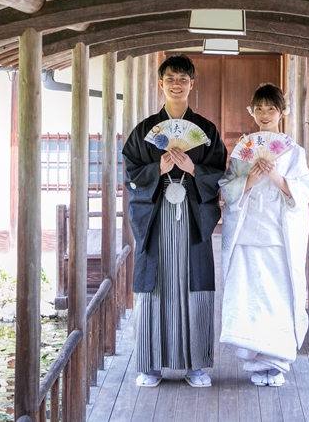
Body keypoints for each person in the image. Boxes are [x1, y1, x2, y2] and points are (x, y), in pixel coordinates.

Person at [122, 55, 227, 388]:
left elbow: (220, 172)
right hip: (157, 214)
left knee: (193, 285)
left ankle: (194, 365)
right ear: (161, 84)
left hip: (192, 214)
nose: (177, 84)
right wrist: (158, 169)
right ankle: (150, 365)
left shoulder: (206, 130)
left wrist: (194, 169)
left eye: (183, 79)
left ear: (192, 84)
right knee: (156, 285)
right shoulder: (145, 131)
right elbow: (130, 172)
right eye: (170, 79)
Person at [218, 83, 309, 387]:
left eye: (271, 108)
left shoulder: (294, 152)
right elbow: (228, 188)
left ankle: (276, 365)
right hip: (248, 236)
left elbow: (303, 190)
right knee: (251, 298)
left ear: (282, 112)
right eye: (259, 108)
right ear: (252, 111)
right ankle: (255, 363)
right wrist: (249, 179)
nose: (265, 114)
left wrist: (275, 175)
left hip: (278, 238)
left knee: (277, 299)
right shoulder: (244, 149)